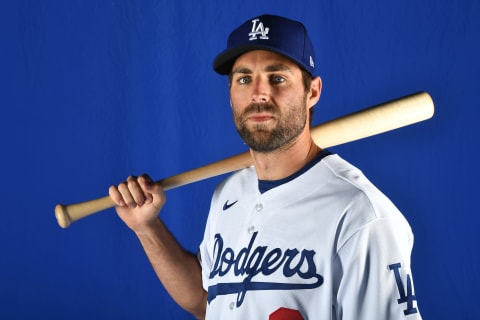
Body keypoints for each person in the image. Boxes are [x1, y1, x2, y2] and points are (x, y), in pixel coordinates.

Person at [109, 14, 422, 320]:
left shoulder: (361, 215)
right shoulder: (228, 193)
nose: (258, 93)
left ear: (312, 92)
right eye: (244, 78)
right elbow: (206, 302)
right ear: (231, 95)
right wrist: (147, 227)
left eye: (278, 77)